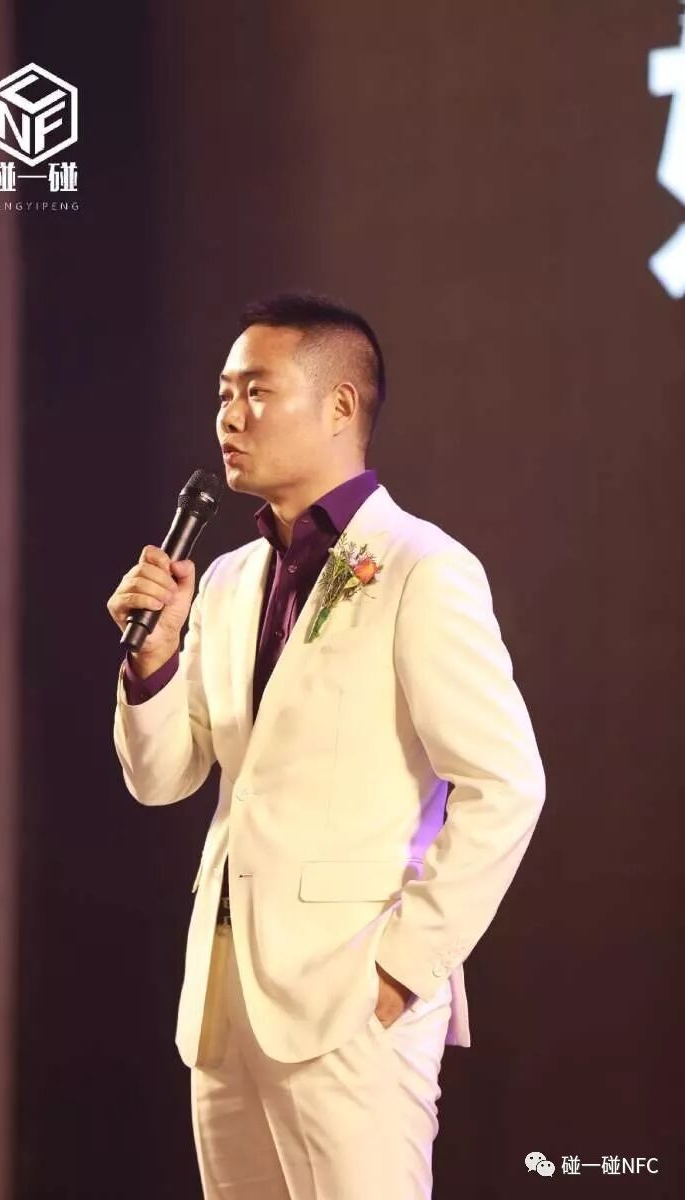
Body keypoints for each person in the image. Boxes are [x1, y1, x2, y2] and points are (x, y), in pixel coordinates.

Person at [108, 292, 546, 1199]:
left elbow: (506, 784)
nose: (230, 417)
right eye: (223, 394)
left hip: (352, 996)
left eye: (256, 391)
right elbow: (163, 777)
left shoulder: (423, 568)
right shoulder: (227, 578)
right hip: (227, 999)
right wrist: (152, 660)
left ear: (341, 405)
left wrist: (400, 973)